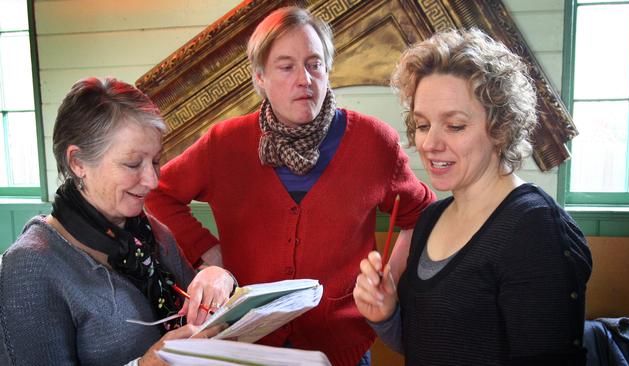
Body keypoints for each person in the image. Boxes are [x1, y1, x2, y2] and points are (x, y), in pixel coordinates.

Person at [144, 6, 434, 366]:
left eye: (314, 64)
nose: (305, 79)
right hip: (247, 347)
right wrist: (208, 252)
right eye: (286, 66)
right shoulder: (225, 143)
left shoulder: (374, 141)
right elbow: (158, 193)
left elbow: (421, 214)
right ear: (260, 77)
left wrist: (387, 280)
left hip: (342, 350)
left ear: (328, 70)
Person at [353, 28, 593, 365]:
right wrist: (385, 314)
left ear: (500, 128)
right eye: (423, 125)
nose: (430, 143)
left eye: (454, 125)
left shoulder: (535, 229)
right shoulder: (430, 220)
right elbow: (429, 344)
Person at [0, 77, 229, 366]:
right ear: (78, 162)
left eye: (156, 161)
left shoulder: (154, 232)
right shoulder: (31, 266)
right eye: (133, 164)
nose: (153, 180)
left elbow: (205, 321)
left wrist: (217, 278)